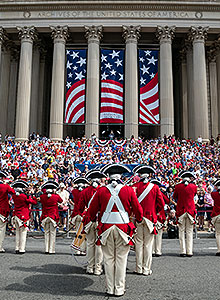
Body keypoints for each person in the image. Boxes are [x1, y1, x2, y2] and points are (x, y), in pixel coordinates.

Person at [86, 164, 143, 297]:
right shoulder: (128, 190)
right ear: (121, 177)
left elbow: (92, 211)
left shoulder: (100, 191)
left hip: (106, 227)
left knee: (108, 259)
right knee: (121, 259)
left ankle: (110, 288)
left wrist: (93, 219)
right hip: (123, 228)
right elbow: (138, 210)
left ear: (108, 177)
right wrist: (139, 220)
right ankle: (119, 288)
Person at [132, 166, 165, 274]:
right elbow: (161, 204)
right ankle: (146, 269)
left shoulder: (134, 187)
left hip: (138, 218)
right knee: (148, 244)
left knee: (138, 243)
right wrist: (154, 210)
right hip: (150, 218)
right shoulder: (155, 187)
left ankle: (138, 268)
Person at [81, 170, 106, 275]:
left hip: (89, 219)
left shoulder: (85, 191)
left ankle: (90, 267)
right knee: (99, 244)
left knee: (90, 244)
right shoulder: (104, 190)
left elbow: (80, 208)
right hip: (100, 220)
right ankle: (98, 268)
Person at [173, 171, 197, 257]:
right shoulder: (194, 186)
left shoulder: (178, 186)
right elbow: (194, 194)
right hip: (190, 210)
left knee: (181, 231)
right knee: (189, 231)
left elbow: (174, 196)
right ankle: (189, 251)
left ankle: (182, 251)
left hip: (181, 211)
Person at [11, 180, 37, 254]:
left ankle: (17, 247)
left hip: (16, 215)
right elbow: (34, 202)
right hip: (23, 216)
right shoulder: (24, 196)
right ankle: (21, 249)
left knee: (17, 233)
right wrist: (33, 196)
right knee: (23, 233)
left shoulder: (14, 196)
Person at [40, 181, 62, 254]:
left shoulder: (42, 196)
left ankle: (46, 249)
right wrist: (55, 193)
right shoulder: (56, 196)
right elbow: (61, 200)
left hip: (45, 216)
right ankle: (51, 249)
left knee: (46, 233)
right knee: (52, 233)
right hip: (53, 216)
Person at [70, 177, 89, 255]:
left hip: (76, 213)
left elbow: (71, 197)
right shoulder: (86, 191)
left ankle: (78, 249)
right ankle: (83, 249)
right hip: (83, 213)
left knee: (77, 232)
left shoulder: (74, 191)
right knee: (84, 233)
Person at [151, 180, 167, 257]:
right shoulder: (160, 193)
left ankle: (152, 250)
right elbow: (165, 201)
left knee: (151, 235)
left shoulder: (149, 193)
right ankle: (158, 250)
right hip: (159, 215)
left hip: (151, 215)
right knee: (158, 235)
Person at [0, 171, 15, 253]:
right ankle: (0, 247)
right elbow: (13, 192)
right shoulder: (5, 186)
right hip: (2, 210)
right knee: (1, 229)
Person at [211, 180, 220, 256]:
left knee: (218, 233)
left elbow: (212, 192)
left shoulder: (214, 194)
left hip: (217, 214)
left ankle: (219, 250)